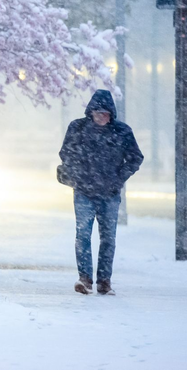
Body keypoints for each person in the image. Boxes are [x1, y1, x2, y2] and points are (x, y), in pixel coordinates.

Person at [58, 89, 144, 296]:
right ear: (91, 111)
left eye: (105, 113)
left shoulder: (122, 132)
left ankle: (104, 281)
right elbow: (66, 153)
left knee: (108, 238)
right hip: (84, 192)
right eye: (97, 112)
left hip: (109, 194)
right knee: (83, 235)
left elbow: (135, 157)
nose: (101, 116)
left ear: (111, 114)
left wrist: (118, 178)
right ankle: (85, 279)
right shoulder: (78, 128)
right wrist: (77, 175)